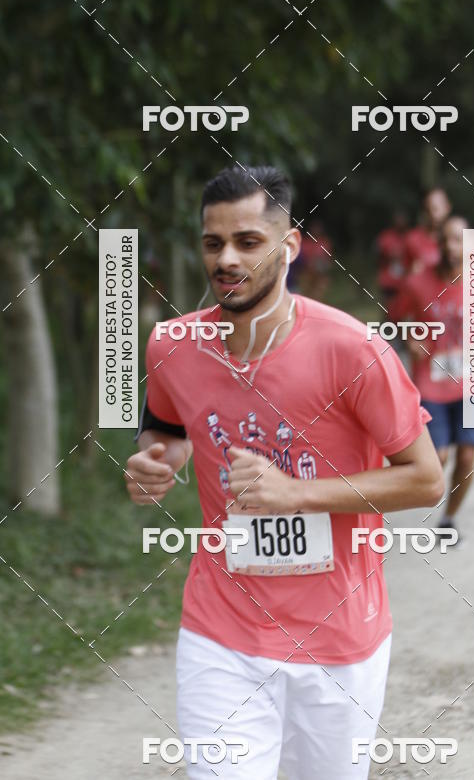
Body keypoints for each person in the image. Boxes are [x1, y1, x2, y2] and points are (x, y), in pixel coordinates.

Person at [125, 165, 443, 780]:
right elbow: (165, 429)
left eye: (248, 241)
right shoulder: (171, 345)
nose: (227, 259)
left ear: (289, 246)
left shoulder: (354, 351)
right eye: (213, 243)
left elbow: (426, 478)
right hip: (222, 631)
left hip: (341, 640)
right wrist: (154, 464)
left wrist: (297, 493)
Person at [390, 215, 474, 543]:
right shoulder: (418, 282)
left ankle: (449, 518)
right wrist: (408, 340)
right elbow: (394, 318)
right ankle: (423, 493)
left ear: (470, 245)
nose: (450, 246)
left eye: (458, 239)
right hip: (430, 382)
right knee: (439, 455)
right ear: (437, 244)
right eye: (444, 239)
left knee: (469, 455)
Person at [402, 187, 452, 276]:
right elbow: (402, 275)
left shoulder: (463, 240)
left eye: (436, 209)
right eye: (428, 210)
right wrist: (411, 274)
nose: (433, 214)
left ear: (447, 207)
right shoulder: (412, 238)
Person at [375, 210, 408, 304]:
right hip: (388, 281)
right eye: (398, 219)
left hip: (403, 282)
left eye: (402, 219)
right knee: (388, 310)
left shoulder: (408, 237)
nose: (400, 221)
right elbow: (378, 257)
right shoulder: (385, 237)